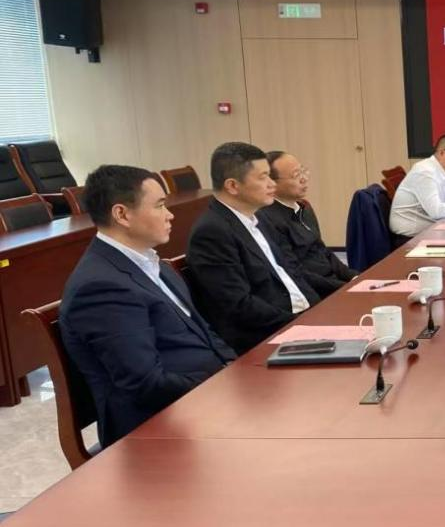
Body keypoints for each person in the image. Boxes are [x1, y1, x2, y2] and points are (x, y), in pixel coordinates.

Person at [59, 165, 235, 447]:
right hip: (155, 425)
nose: (170, 214)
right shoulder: (100, 287)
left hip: (200, 397)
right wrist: (221, 384)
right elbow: (146, 384)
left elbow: (203, 331)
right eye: (160, 205)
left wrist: (236, 368)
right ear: (122, 214)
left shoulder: (151, 262)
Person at [185, 142, 321, 354]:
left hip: (296, 321)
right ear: (233, 186)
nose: (272, 184)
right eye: (263, 177)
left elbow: (292, 271)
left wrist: (318, 310)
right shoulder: (212, 232)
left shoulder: (259, 218)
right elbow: (239, 305)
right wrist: (298, 323)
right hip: (263, 339)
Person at [257, 150, 357, 296]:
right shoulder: (268, 219)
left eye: (302, 171)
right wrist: (343, 287)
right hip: (312, 292)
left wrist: (354, 277)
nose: (304, 179)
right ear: (272, 183)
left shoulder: (304, 208)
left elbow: (323, 251)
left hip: (333, 283)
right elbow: (295, 273)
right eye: (296, 175)